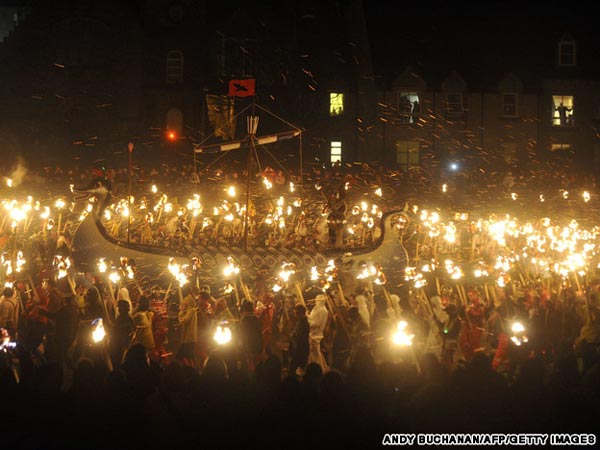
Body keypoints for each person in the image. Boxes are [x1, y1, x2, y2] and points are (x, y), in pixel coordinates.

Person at [308, 294, 329, 370]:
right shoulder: (317, 309)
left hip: (316, 334)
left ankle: (319, 368)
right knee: (313, 353)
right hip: (312, 333)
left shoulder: (322, 310)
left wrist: (307, 321)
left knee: (316, 354)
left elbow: (316, 323)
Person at [289, 304, 309, 375]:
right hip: (297, 349)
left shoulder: (305, 324)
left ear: (301, 313)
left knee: (295, 368)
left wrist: (294, 338)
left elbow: (302, 340)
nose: (295, 315)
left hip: (301, 350)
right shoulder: (299, 322)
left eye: (296, 313)